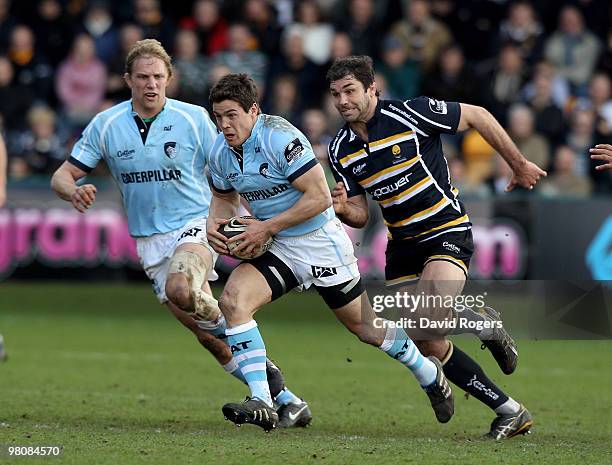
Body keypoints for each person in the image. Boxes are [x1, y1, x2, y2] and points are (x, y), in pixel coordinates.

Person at [50, 39, 309, 428]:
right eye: (142, 77)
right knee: (210, 339)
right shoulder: (106, 124)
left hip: (196, 223)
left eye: (158, 76)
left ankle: (239, 336)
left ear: (169, 78)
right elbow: (62, 175)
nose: (151, 84)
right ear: (127, 80)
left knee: (181, 289)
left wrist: (253, 212)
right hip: (148, 242)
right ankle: (285, 398)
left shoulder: (192, 118)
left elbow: (228, 164)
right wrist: (74, 190)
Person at [205, 73, 453, 432]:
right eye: (218, 117)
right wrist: (217, 224)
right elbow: (224, 198)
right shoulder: (219, 152)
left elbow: (320, 198)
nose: (225, 124)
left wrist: (266, 226)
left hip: (320, 242)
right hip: (279, 247)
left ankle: (428, 372)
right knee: (232, 302)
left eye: (232, 115)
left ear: (253, 110)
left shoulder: (281, 138)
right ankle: (262, 400)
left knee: (365, 327)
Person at [326, 56, 547, 439]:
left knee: (427, 321)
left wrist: (518, 163)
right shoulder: (340, 149)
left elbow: (477, 115)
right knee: (426, 339)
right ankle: (510, 410)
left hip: (445, 229)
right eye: (335, 94)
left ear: (372, 88)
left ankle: (483, 324)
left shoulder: (412, 113)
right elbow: (362, 214)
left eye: (350, 91)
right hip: (401, 245)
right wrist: (345, 208)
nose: (343, 101)